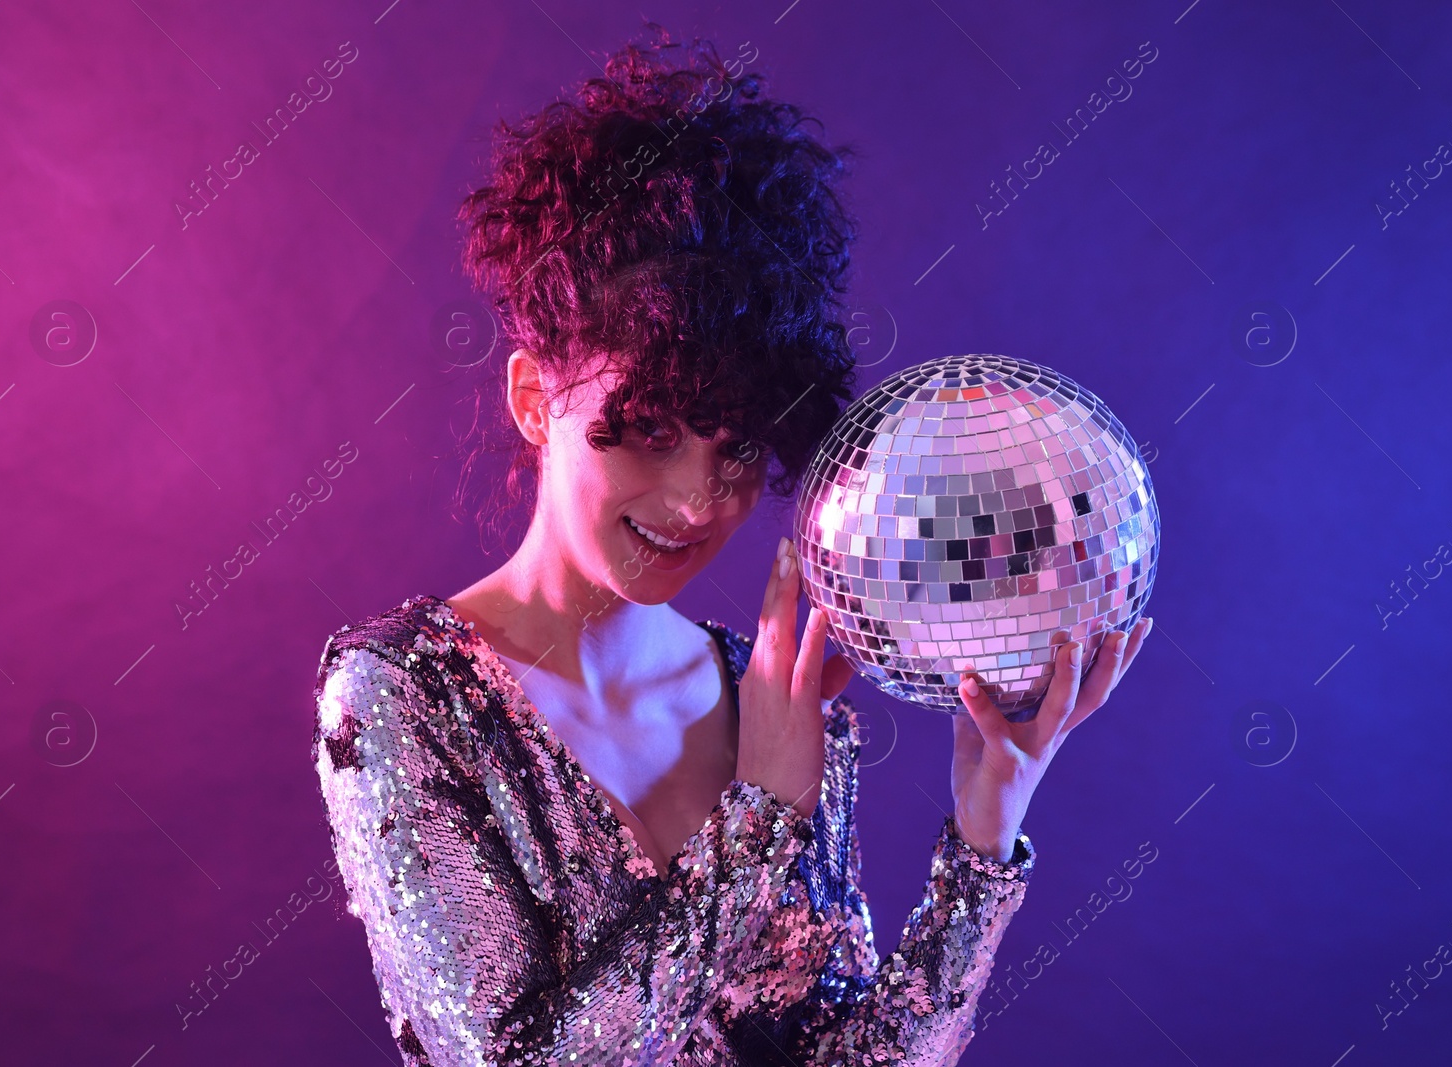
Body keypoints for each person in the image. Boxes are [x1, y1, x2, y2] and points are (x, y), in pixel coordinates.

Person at [311, 27, 1151, 1066]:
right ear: (536, 397)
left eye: (739, 444)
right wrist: (759, 814)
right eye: (653, 428)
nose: (698, 498)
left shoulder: (771, 696)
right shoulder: (401, 694)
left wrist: (983, 839)